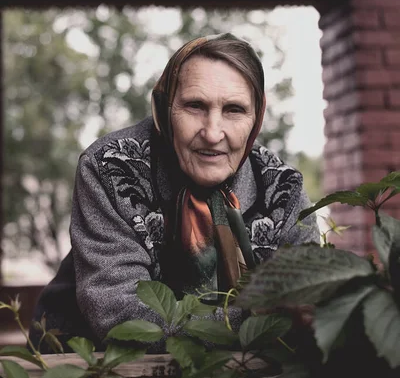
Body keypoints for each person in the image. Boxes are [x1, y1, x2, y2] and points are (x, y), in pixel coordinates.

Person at [30, 33, 319, 352]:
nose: (212, 133)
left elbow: (313, 300)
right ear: (165, 108)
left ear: (257, 117)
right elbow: (119, 317)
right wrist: (260, 320)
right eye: (195, 106)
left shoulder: (282, 187)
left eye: (234, 110)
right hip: (88, 371)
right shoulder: (111, 168)